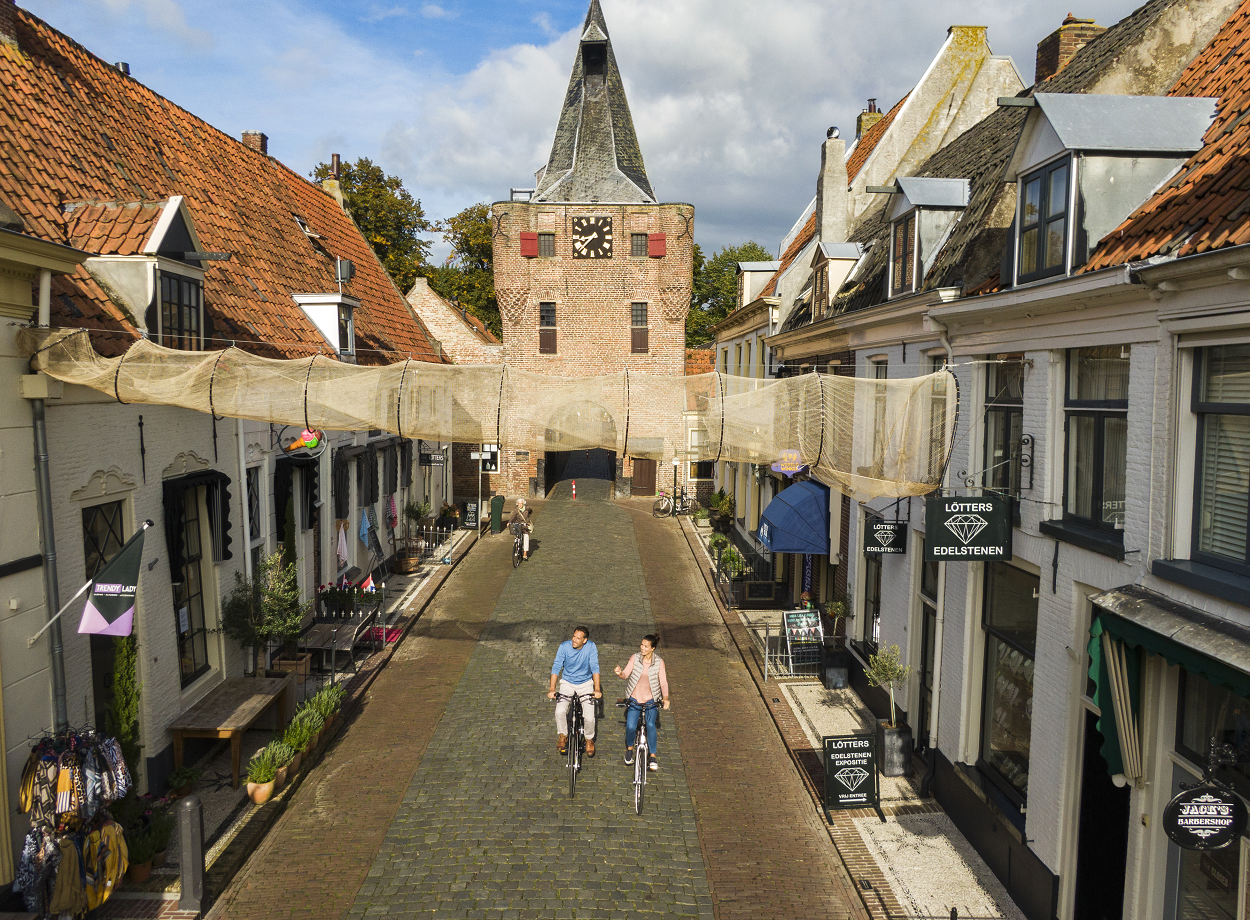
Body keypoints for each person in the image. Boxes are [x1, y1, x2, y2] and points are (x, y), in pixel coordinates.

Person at [613, 633, 670, 772]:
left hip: (651, 699)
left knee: (650, 725)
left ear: (653, 648)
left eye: (646, 646)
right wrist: (620, 673)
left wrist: (665, 698)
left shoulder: (659, 662)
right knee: (631, 726)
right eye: (641, 645)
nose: (642, 648)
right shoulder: (635, 658)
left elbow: (663, 682)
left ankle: (653, 756)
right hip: (634, 698)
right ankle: (629, 749)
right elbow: (626, 674)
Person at [548, 626, 602, 756]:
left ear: (584, 640)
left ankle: (589, 739)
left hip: (585, 683)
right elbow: (556, 667)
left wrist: (597, 689)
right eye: (574, 636)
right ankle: (563, 735)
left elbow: (595, 667)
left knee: (589, 717)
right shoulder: (564, 647)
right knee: (560, 711)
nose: (574, 640)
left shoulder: (591, 647)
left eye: (578, 638)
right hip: (567, 683)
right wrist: (552, 689)